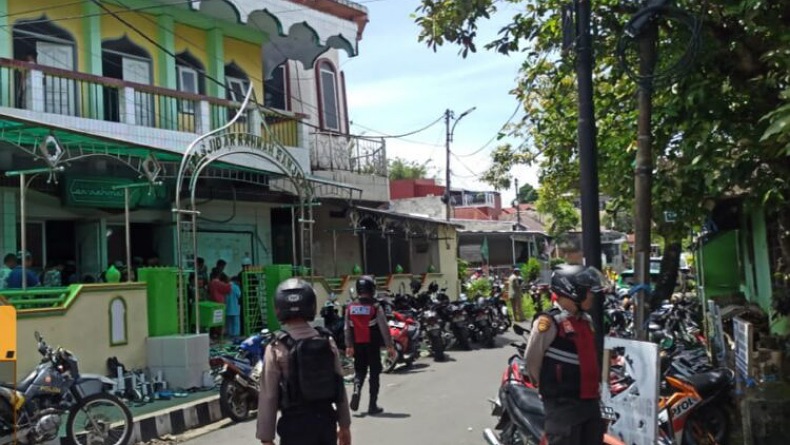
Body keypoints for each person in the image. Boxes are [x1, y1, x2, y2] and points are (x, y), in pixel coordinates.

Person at [256, 278, 351, 445]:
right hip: (326, 424)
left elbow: (268, 395)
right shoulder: (327, 340)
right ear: (311, 305)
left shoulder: (276, 346)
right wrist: (345, 426)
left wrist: (266, 437)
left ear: (279, 308)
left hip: (294, 427)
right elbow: (339, 385)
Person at [524, 264, 607, 445]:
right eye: (588, 291)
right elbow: (532, 359)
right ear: (573, 292)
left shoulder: (585, 320)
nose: (592, 295)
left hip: (589, 401)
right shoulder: (549, 322)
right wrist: (551, 389)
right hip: (563, 405)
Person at [344, 275, 394, 415]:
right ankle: (372, 405)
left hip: (357, 344)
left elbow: (347, 328)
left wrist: (349, 345)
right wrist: (389, 345)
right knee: (374, 373)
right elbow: (384, 327)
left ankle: (356, 389)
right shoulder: (375, 307)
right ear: (372, 288)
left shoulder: (350, 307)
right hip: (372, 344)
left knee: (359, 371)